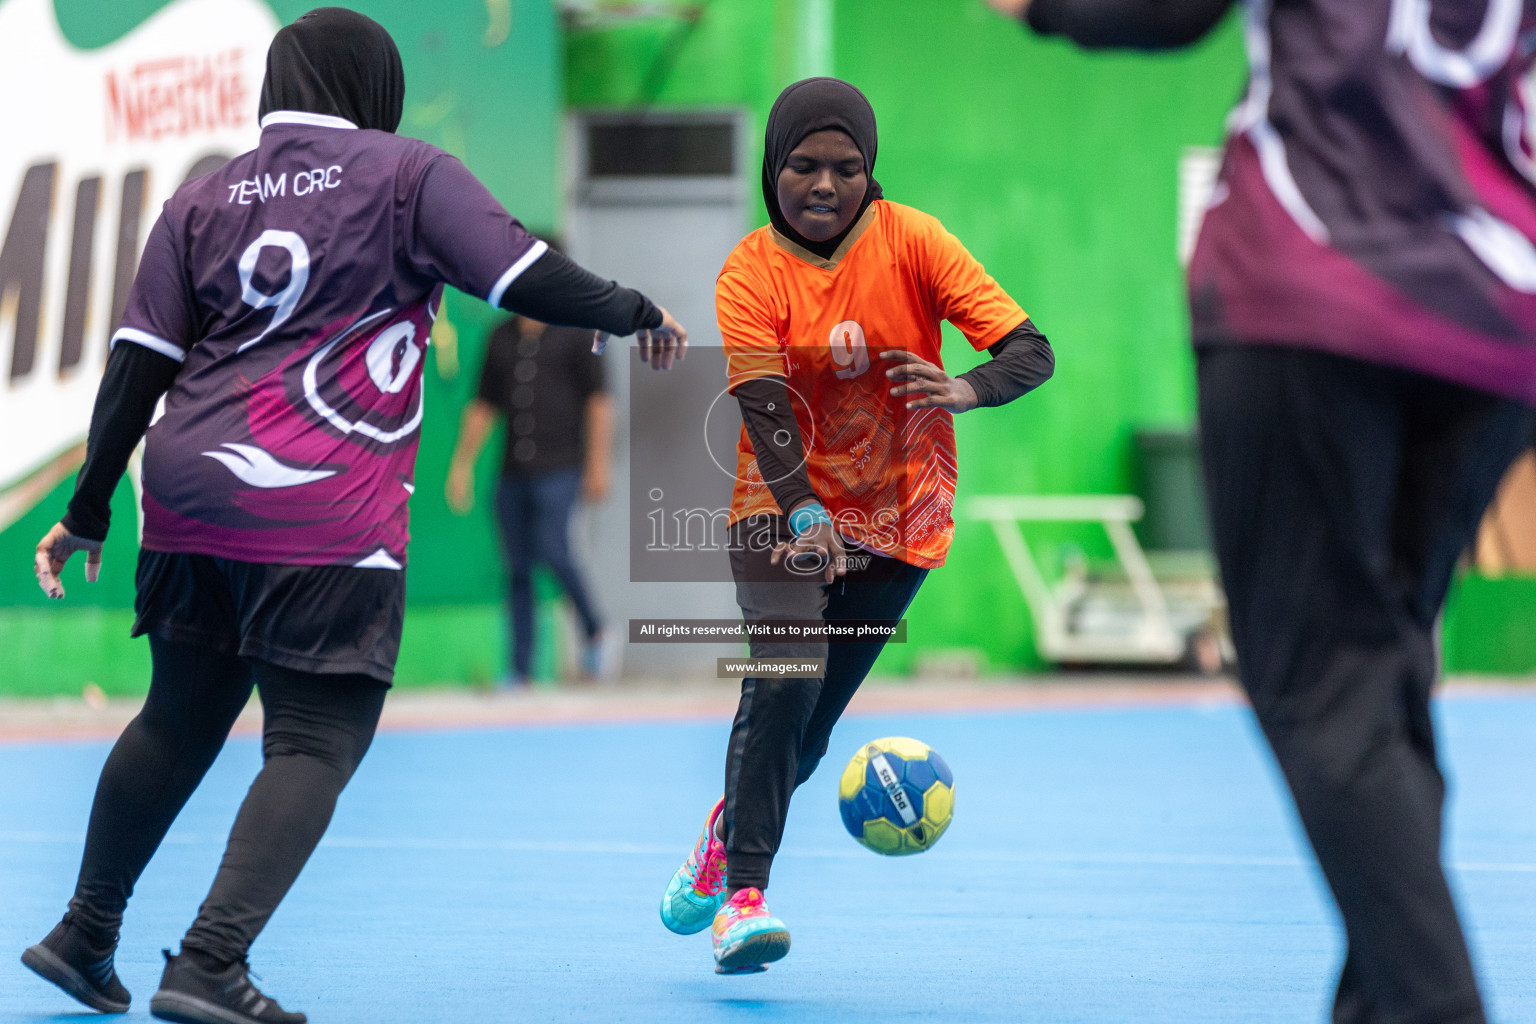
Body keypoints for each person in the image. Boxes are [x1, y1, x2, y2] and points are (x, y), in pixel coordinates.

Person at [21, 9, 685, 1024]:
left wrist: (89, 508)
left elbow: (134, 370)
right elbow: (519, 273)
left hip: (187, 496)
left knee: (178, 715)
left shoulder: (200, 198)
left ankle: (83, 933)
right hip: (318, 507)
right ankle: (208, 961)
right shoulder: (407, 176)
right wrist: (631, 307)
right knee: (318, 734)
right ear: (374, 89)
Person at [989, 1, 1536, 1021]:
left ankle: (1436, 1007)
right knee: (1382, 672)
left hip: (1316, 287)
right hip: (1496, 318)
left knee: (1322, 685)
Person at [656, 77, 1055, 974]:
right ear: (774, 168)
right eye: (803, 166)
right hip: (778, 508)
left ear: (871, 174)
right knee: (785, 680)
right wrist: (803, 510)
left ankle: (723, 835)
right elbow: (763, 406)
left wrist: (965, 388)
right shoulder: (750, 269)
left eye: (847, 168)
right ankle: (745, 901)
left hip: (900, 517)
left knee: (810, 733)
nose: (825, 185)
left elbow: (1030, 348)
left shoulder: (913, 239)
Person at [447, 293, 614, 686]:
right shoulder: (500, 337)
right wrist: (462, 464)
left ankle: (595, 631)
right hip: (511, 473)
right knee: (516, 567)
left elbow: (599, 403)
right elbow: (483, 405)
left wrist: (598, 464)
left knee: (554, 549)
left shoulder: (579, 335)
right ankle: (520, 670)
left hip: (562, 468)